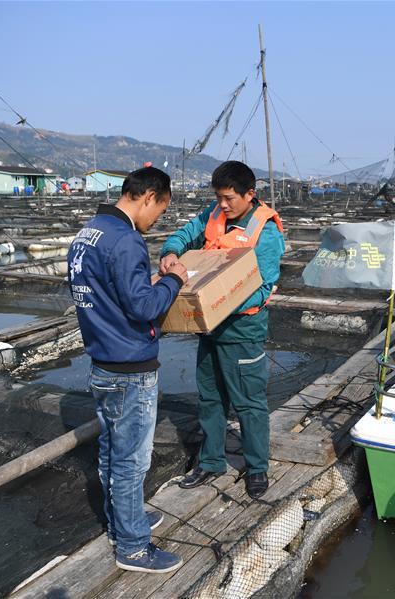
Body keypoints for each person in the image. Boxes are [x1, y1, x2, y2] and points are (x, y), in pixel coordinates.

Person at [68, 166, 188, 573]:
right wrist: (173, 281)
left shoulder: (89, 233)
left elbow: (110, 294)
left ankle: (122, 518)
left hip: (101, 360)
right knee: (132, 459)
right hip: (130, 366)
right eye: (160, 211)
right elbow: (143, 307)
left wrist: (146, 284)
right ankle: (133, 546)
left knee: (110, 450)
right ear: (149, 196)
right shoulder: (126, 240)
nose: (157, 221)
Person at [159, 160, 284, 499]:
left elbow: (264, 286)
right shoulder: (213, 215)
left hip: (242, 331)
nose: (223, 205)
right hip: (209, 330)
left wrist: (218, 302)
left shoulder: (266, 233)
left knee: (249, 403)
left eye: (229, 198)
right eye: (218, 197)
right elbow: (185, 234)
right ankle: (211, 460)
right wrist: (170, 252)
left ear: (249, 194)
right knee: (210, 399)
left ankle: (257, 467)